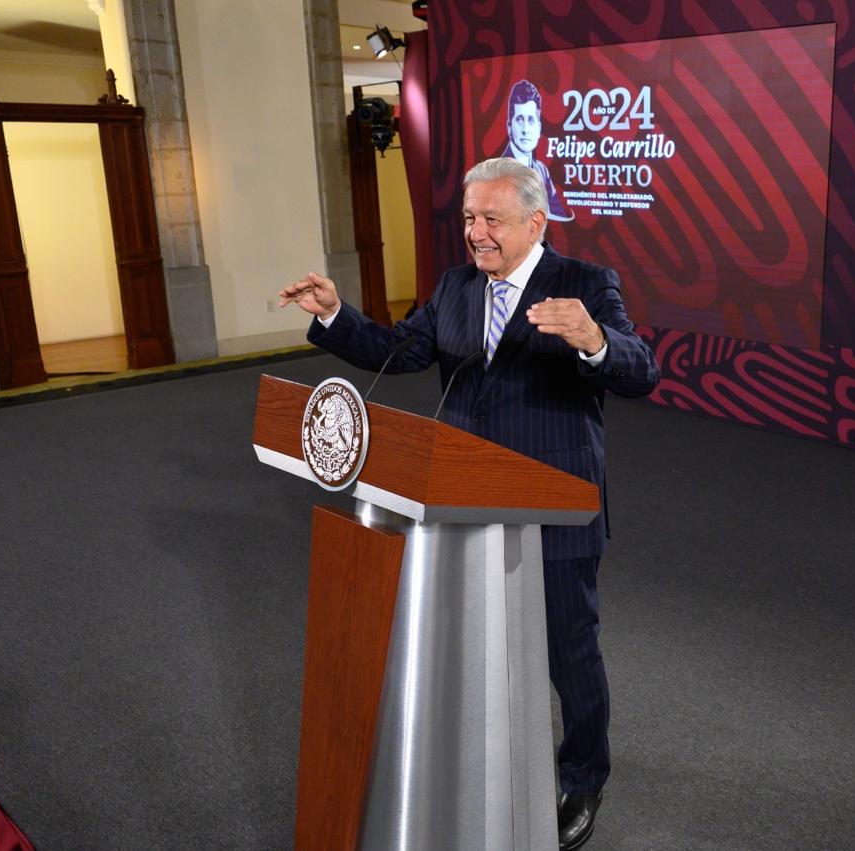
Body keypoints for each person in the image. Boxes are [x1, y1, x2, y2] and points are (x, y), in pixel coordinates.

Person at [278, 157, 659, 850]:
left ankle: (583, 775)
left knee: (567, 647)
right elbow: (399, 350)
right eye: (469, 218)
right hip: (460, 498)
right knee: (471, 639)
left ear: (535, 223)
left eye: (492, 220)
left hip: (554, 500)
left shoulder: (585, 284)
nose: (476, 233)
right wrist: (333, 313)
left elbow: (642, 371)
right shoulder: (457, 285)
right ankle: (479, 757)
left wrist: (595, 340)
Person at [501, 79, 574, 221]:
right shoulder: (498, 172)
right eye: (520, 120)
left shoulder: (542, 170)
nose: (525, 130)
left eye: (531, 120)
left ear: (538, 128)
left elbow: (559, 216)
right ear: (509, 127)